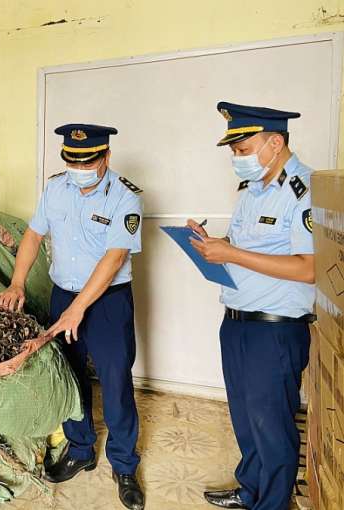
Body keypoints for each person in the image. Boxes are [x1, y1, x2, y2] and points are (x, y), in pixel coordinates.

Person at [0, 124, 145, 510]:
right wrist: (17, 283)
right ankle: (80, 450)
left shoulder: (125, 197)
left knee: (115, 382)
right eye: (72, 161)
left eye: (87, 162)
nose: (78, 169)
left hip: (108, 302)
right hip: (63, 294)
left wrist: (78, 309)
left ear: (106, 157)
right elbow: (33, 235)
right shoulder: (55, 189)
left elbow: (115, 258)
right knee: (69, 377)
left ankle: (124, 465)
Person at [188, 102, 315, 510]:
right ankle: (251, 491)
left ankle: (272, 503)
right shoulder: (252, 190)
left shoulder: (305, 192)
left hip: (275, 330)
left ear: (275, 143)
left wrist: (231, 254)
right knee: (246, 420)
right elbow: (243, 247)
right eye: (234, 151)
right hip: (237, 323)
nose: (237, 158)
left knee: (272, 427)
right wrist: (216, 244)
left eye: (243, 149)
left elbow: (308, 268)